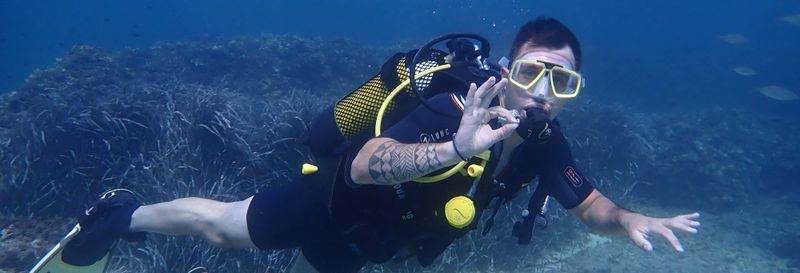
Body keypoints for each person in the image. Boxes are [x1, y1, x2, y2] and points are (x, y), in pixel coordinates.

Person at [62, 17, 700, 273]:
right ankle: (121, 214)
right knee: (223, 228)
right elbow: (368, 165)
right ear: (507, 71)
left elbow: (588, 204)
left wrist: (629, 218)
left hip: (389, 240)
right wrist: (455, 147)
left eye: (562, 81)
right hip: (338, 202)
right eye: (533, 72)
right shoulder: (453, 105)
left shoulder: (542, 142)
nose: (543, 92)